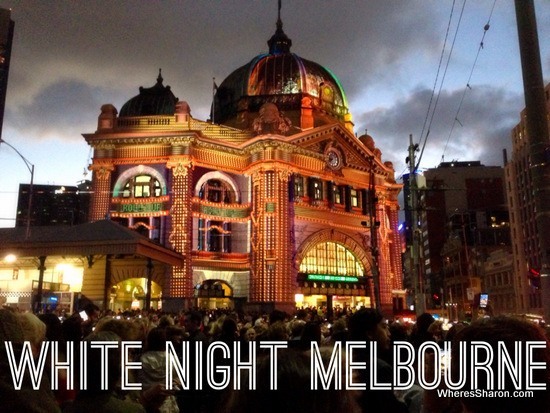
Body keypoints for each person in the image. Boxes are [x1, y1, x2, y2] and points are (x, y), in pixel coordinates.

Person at [347, 308, 408, 413]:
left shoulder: (345, 365)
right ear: (370, 333)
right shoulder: (380, 369)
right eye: (384, 327)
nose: (389, 333)